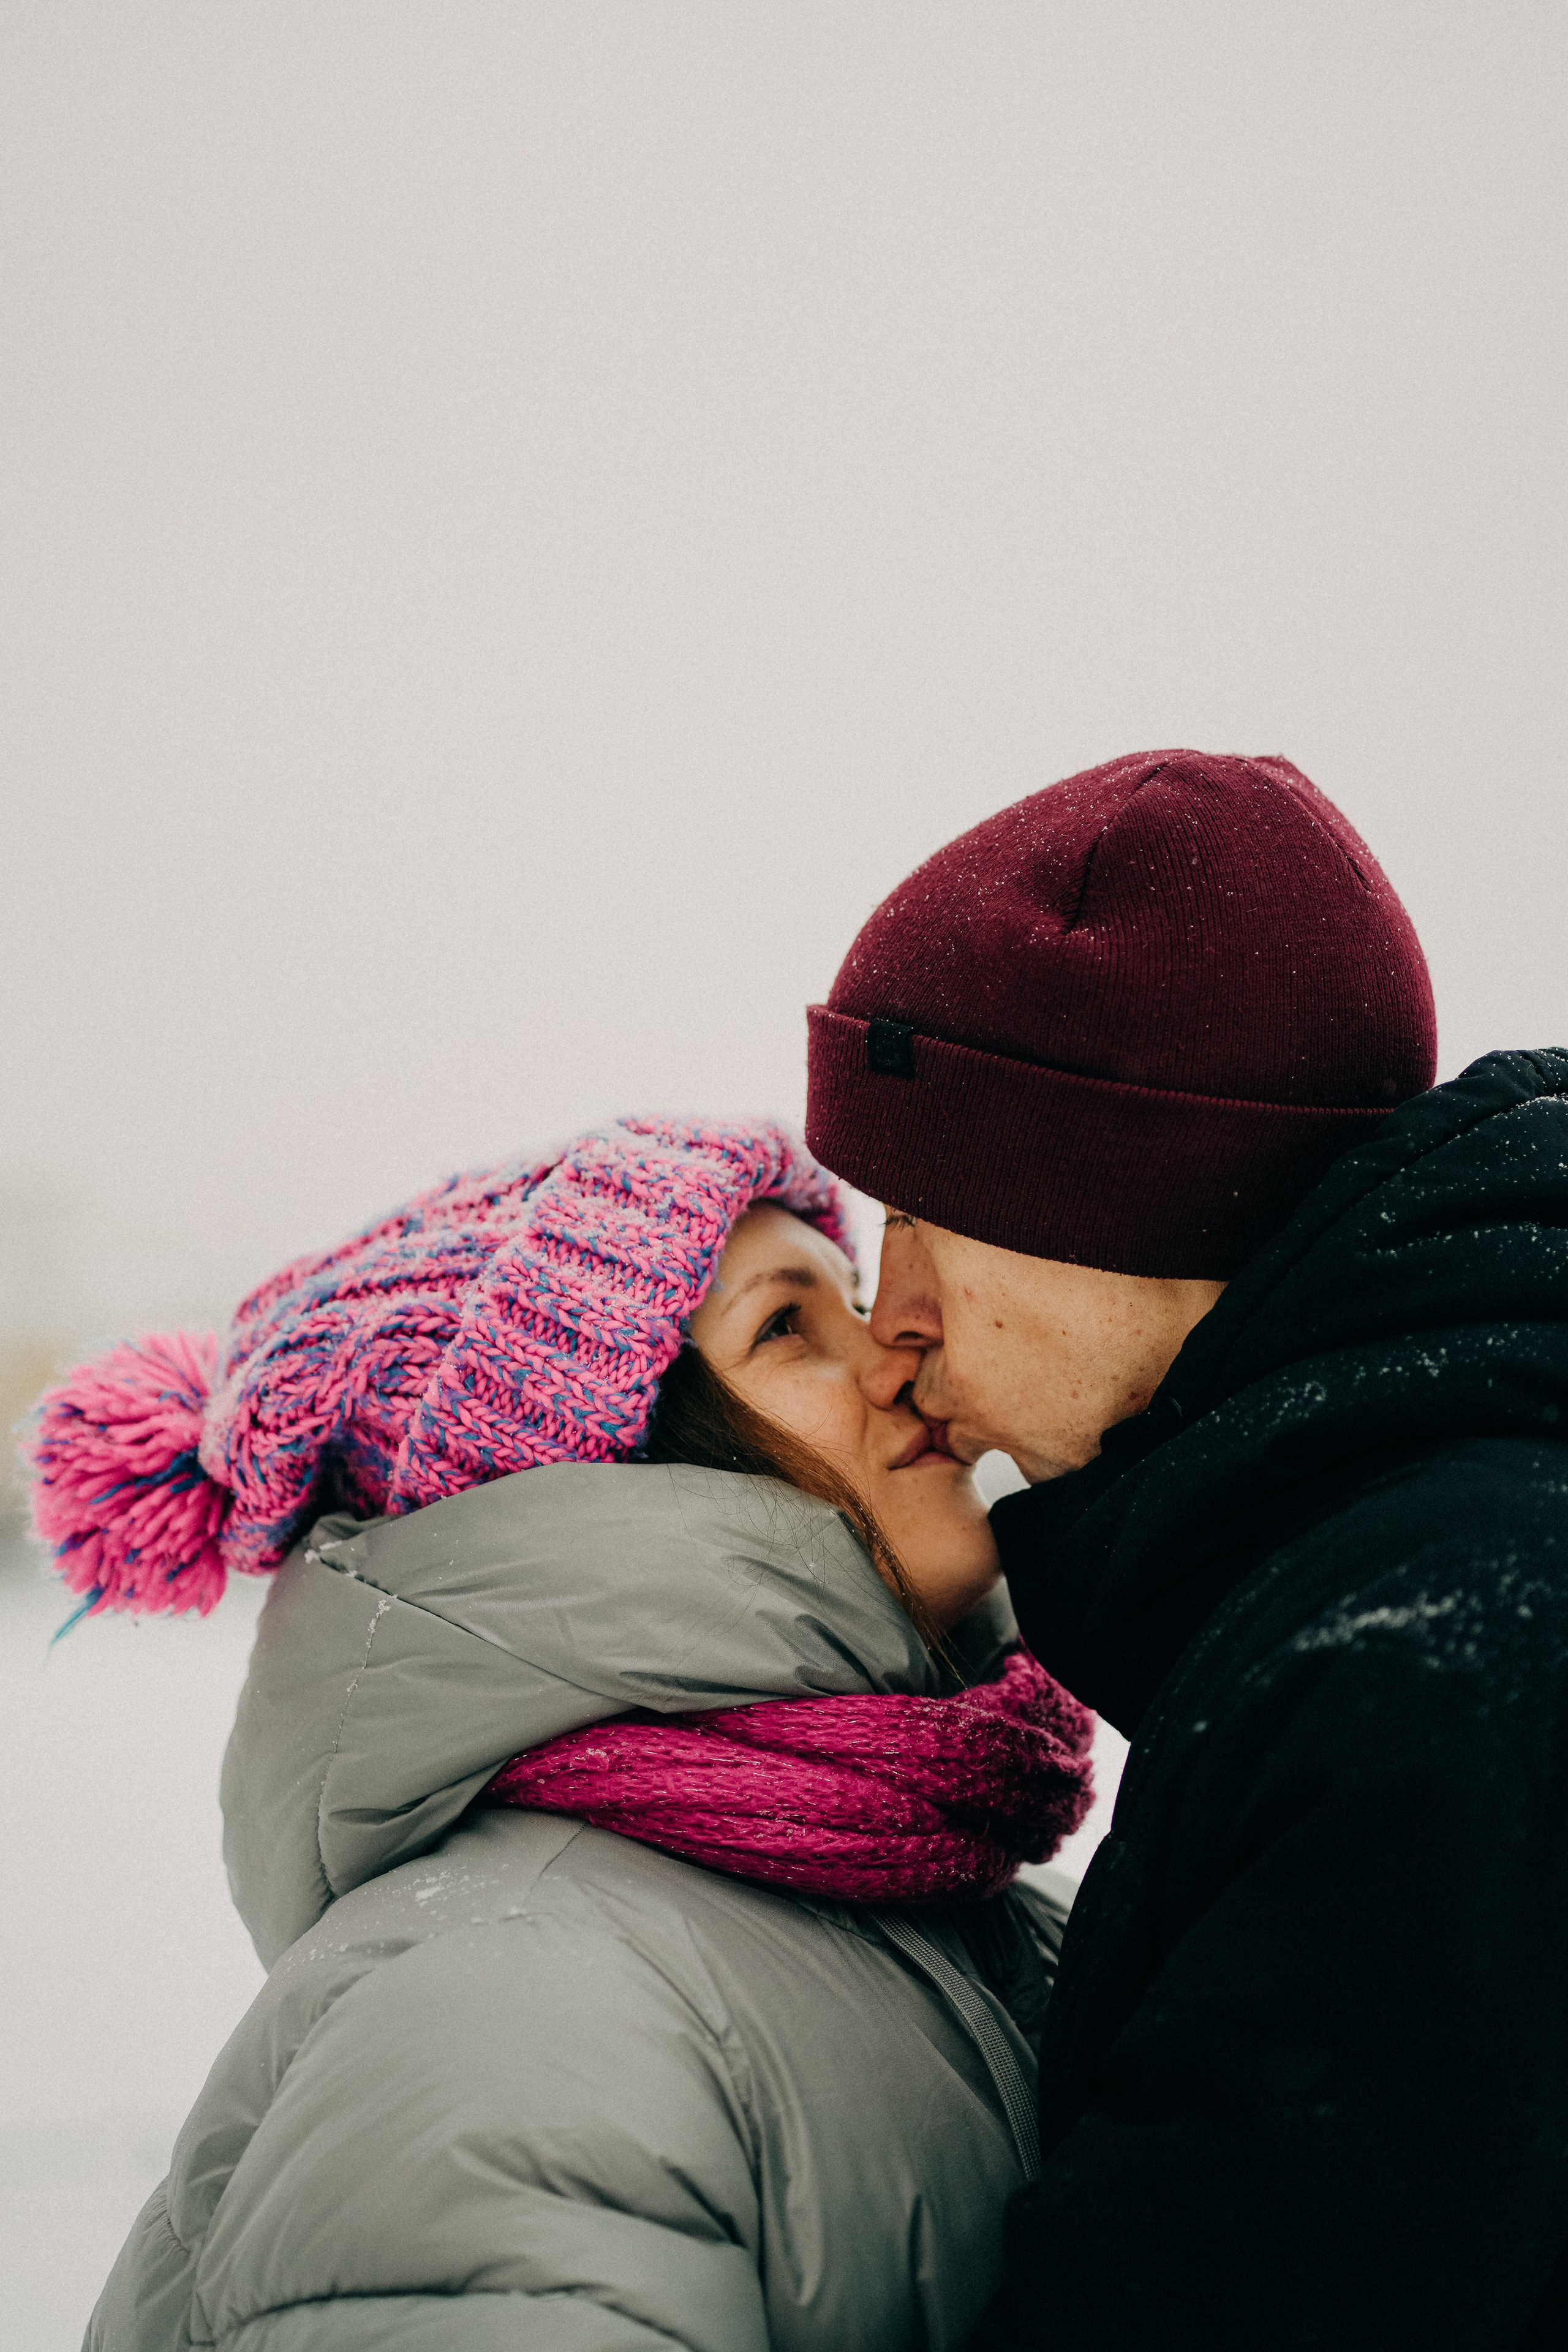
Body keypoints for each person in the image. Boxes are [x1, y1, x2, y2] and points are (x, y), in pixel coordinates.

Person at [28, 1118, 1094, 2351]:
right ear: (608, 1479)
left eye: (852, 1298)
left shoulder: (940, 1892)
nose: (904, 1356)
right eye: (788, 1325)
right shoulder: (510, 2012)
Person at [805, 747, 1568, 2349]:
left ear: (1115, 1214)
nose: (894, 1325)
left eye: (923, 1217)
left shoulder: (1420, 1670)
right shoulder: (1423, 1563)